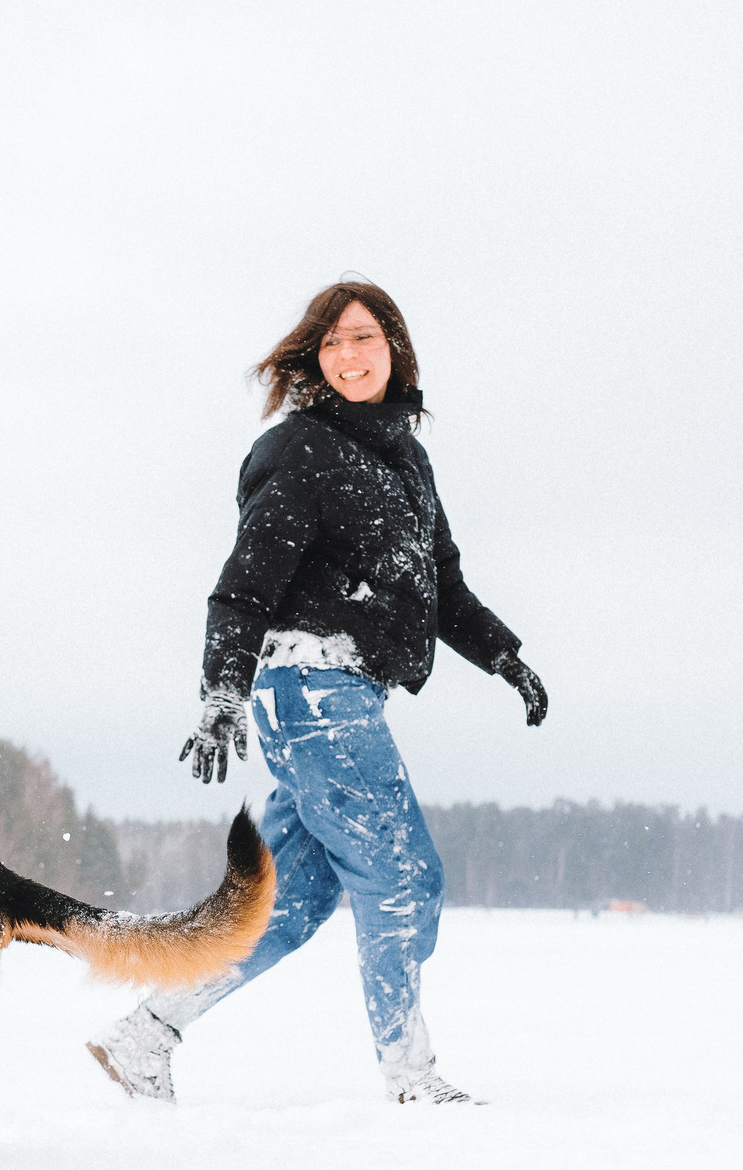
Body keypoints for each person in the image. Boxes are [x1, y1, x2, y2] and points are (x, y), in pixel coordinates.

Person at [87, 279, 548, 1105]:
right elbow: (244, 584)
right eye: (332, 343)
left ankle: (143, 1036)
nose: (349, 355)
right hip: (312, 686)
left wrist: (504, 657)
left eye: (364, 338)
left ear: (395, 349)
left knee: (290, 902)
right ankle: (412, 1078)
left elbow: (440, 584)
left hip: (339, 692)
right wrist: (222, 689)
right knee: (404, 878)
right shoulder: (301, 448)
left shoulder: (406, 458)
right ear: (315, 359)